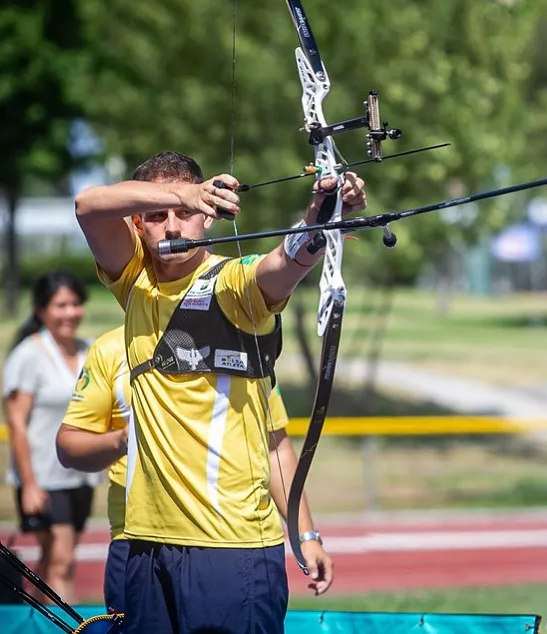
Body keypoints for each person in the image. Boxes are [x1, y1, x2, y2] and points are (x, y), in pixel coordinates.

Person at [74, 151, 364, 633]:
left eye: (186, 214)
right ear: (136, 226)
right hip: (146, 543)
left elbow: (283, 262)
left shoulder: (233, 284)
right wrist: (181, 194)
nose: (172, 227)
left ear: (208, 216)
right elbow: (88, 205)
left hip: (231, 550)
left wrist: (320, 217)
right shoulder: (135, 281)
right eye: (156, 216)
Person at [55, 324, 332, 615]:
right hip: (139, 543)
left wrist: (306, 536)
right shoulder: (112, 348)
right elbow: (69, 446)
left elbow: (275, 448)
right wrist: (123, 439)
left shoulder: (242, 343)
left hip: (229, 542)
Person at [2, 269, 97, 604]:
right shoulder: (28, 355)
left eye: (75, 304)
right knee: (62, 561)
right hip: (43, 477)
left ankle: (37, 622)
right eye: (60, 305)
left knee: (54, 562)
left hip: (82, 476)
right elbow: (16, 422)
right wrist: (28, 483)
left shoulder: (90, 351)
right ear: (41, 310)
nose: (69, 313)